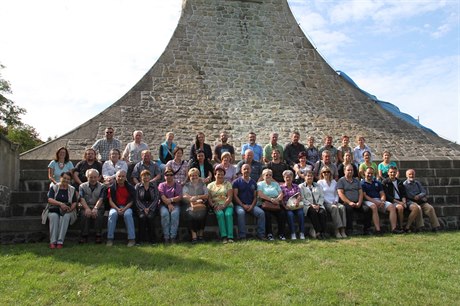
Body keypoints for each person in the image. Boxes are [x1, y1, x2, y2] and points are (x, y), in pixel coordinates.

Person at [361, 167, 401, 234]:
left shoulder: (377, 183)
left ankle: (394, 228)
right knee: (374, 207)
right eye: (368, 173)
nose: (370, 175)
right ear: (365, 173)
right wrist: (376, 202)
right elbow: (365, 196)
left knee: (392, 206)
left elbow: (382, 193)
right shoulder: (362, 183)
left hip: (379, 200)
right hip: (368, 201)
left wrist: (382, 201)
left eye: (371, 173)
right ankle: (378, 230)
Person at [382, 166, 422, 232]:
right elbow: (387, 196)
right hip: (393, 201)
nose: (392, 174)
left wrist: (404, 201)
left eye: (394, 172)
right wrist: (399, 203)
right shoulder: (385, 182)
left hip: (403, 200)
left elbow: (403, 193)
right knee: (400, 208)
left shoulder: (399, 182)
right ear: (388, 173)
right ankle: (400, 227)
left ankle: (407, 227)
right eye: (391, 172)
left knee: (415, 208)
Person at [233, 164, 265, 240]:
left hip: (251, 205)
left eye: (248, 169)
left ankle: (261, 234)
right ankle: (242, 236)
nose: (246, 171)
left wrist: (252, 206)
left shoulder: (253, 183)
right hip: (239, 205)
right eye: (244, 169)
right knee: (241, 213)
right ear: (241, 171)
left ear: (250, 170)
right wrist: (243, 205)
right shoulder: (236, 182)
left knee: (261, 213)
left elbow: (255, 197)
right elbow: (235, 196)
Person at [337, 164, 371, 236]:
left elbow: (361, 192)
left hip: (357, 202)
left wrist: (359, 202)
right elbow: (341, 194)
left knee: (367, 209)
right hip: (346, 202)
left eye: (351, 170)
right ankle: (349, 230)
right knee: (348, 210)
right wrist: (349, 202)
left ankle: (367, 230)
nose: (350, 171)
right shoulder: (341, 181)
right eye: (348, 170)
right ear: (344, 171)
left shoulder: (356, 180)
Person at [47, 171, 77, 249]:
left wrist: (70, 209)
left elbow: (74, 202)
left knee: (66, 217)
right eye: (64, 178)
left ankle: (60, 241)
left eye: (68, 179)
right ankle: (53, 242)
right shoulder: (54, 187)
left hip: (68, 210)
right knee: (54, 216)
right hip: (55, 208)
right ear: (60, 178)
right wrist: (61, 204)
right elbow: (50, 199)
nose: (66, 180)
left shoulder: (72, 189)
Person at [106, 170, 136, 247]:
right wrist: (117, 209)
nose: (121, 178)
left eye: (123, 176)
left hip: (127, 207)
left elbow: (132, 201)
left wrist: (124, 209)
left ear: (125, 177)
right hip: (115, 206)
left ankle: (131, 239)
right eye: (119, 176)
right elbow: (110, 201)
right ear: (116, 178)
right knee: (112, 214)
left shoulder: (130, 188)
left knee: (128, 215)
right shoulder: (111, 188)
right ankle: (110, 238)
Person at [317, 166, 347, 238]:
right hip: (326, 202)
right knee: (334, 208)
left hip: (335, 201)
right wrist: (331, 203)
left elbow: (336, 193)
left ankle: (342, 230)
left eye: (328, 172)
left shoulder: (334, 182)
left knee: (342, 207)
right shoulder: (320, 183)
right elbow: (321, 195)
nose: (326, 173)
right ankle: (336, 231)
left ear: (330, 173)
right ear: (322, 174)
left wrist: (336, 201)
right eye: (324, 172)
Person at [257, 169, 286, 241]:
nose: (268, 176)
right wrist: (271, 200)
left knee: (282, 214)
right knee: (267, 215)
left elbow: (281, 193)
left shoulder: (275, 184)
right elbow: (260, 195)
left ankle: (281, 234)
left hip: (275, 203)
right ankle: (269, 234)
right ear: (263, 176)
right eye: (266, 175)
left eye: (270, 175)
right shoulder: (260, 184)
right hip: (265, 203)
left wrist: (277, 200)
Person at [208, 166, 234, 243]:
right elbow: (209, 198)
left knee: (228, 214)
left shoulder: (228, 184)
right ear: (215, 175)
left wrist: (223, 206)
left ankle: (230, 236)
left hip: (227, 204)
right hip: (216, 205)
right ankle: (224, 236)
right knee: (220, 214)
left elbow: (230, 197)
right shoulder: (210, 185)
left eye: (222, 174)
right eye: (218, 174)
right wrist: (213, 205)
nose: (220, 176)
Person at [78, 169, 105, 244]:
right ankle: (84, 235)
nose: (93, 179)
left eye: (95, 177)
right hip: (85, 205)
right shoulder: (82, 186)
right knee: (84, 215)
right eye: (91, 177)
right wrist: (87, 208)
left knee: (98, 215)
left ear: (98, 177)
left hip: (98, 206)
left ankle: (98, 235)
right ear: (87, 177)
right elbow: (81, 198)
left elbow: (101, 198)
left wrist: (95, 208)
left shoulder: (102, 186)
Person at [182, 168, 209, 243]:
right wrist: (192, 199)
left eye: (196, 175)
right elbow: (184, 195)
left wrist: (198, 197)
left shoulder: (202, 184)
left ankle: (200, 235)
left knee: (203, 214)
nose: (194, 177)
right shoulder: (187, 185)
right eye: (192, 176)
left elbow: (206, 195)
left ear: (198, 176)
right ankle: (194, 236)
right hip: (190, 204)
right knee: (190, 214)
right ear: (189, 177)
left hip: (201, 204)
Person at [299, 171, 327, 239]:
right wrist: (311, 205)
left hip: (318, 205)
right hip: (308, 206)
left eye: (311, 176)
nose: (309, 177)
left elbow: (322, 196)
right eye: (308, 176)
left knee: (322, 213)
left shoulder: (318, 185)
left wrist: (318, 204)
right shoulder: (301, 186)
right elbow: (302, 198)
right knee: (313, 212)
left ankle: (323, 232)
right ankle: (318, 232)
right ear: (304, 177)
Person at [135, 170, 160, 244]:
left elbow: (156, 198)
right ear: (141, 177)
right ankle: (140, 240)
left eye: (147, 175)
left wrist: (149, 208)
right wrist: (143, 208)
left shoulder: (154, 186)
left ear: (150, 176)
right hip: (141, 207)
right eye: (144, 175)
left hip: (152, 207)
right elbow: (136, 199)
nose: (146, 177)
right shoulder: (138, 186)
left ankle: (152, 240)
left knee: (150, 217)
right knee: (142, 218)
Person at [158, 169, 183, 243]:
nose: (169, 176)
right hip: (163, 205)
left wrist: (171, 200)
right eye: (167, 175)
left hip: (175, 204)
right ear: (164, 176)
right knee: (165, 214)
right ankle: (166, 237)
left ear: (173, 176)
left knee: (175, 214)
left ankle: (173, 237)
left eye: (171, 175)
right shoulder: (161, 185)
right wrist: (168, 204)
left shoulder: (177, 185)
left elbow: (179, 197)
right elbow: (162, 197)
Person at [280, 170, 305, 240]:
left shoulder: (296, 186)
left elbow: (299, 195)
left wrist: (297, 201)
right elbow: (281, 199)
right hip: (287, 207)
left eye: (290, 177)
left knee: (301, 213)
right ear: (284, 178)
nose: (288, 179)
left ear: (292, 178)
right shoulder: (281, 187)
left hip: (296, 206)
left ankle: (301, 233)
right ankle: (293, 233)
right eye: (286, 177)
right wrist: (285, 207)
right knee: (290, 215)